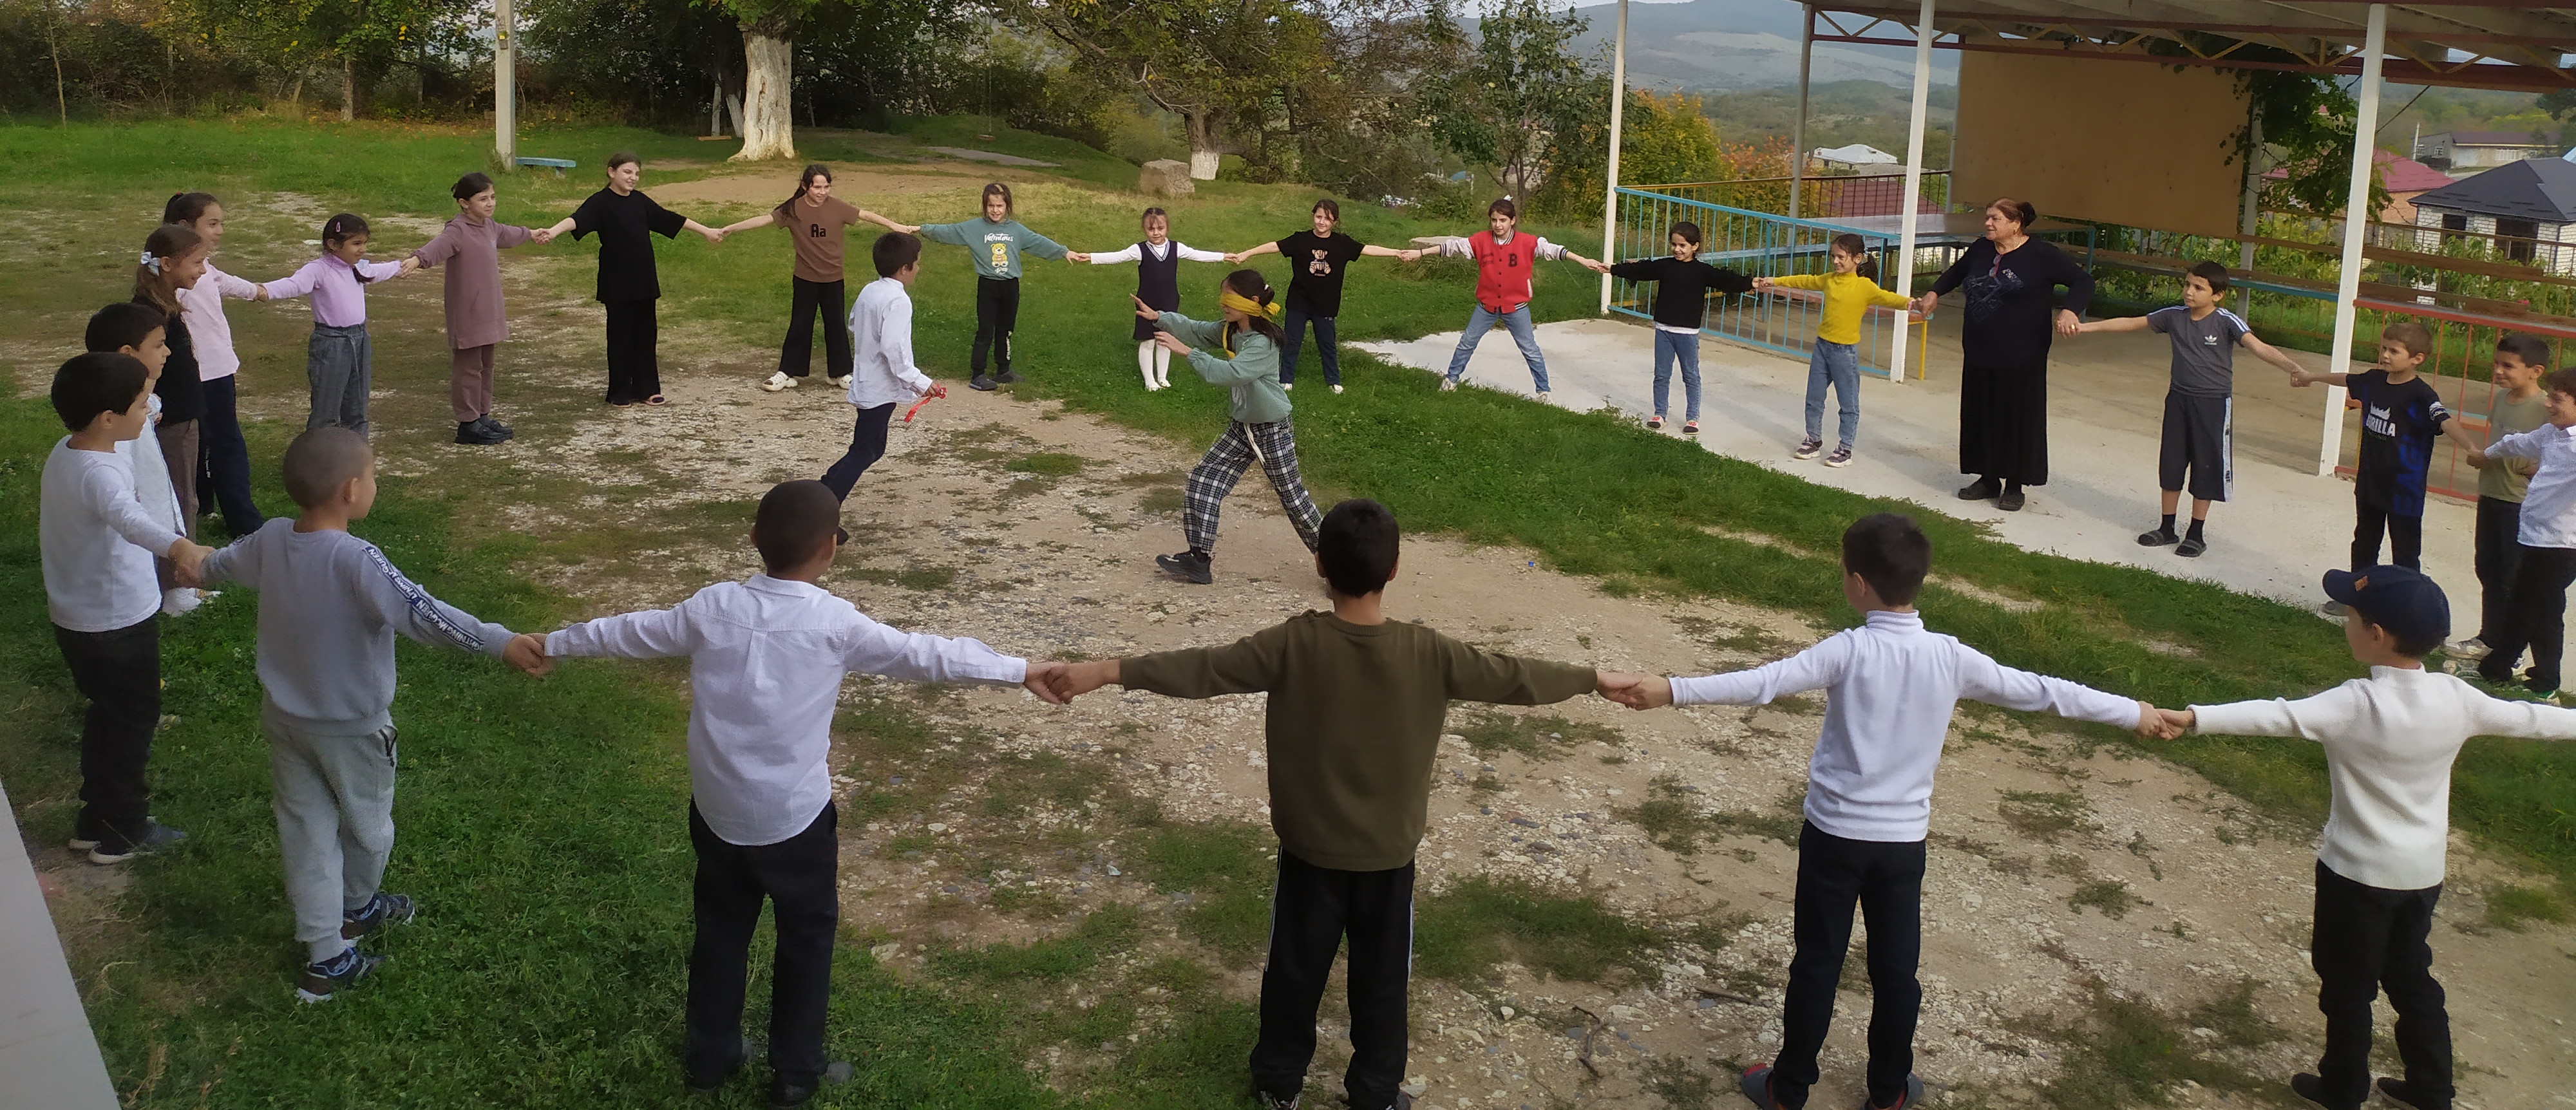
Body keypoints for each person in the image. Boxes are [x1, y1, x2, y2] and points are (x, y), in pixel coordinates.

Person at [1040, 498, 1639, 1110]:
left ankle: (1277, 1085)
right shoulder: (1430, 653)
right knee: (1382, 986)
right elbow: (1517, 676)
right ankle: (1374, 1095)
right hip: (1388, 861)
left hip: (1309, 856)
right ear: (1396, 569)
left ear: (1320, 563)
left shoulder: (1293, 644)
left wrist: (1108, 670)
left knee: (1294, 974)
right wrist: (1592, 678)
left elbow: (1205, 668)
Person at [511, 480, 1065, 1107]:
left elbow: (629, 632)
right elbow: (925, 655)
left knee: (720, 928)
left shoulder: (711, 606)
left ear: (752, 538)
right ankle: (795, 1072)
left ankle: (709, 1056)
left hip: (717, 812)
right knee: (806, 935)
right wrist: (1019, 669)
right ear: (831, 549)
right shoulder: (834, 622)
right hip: (795, 820)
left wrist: (554, 641)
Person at [1605, 513, 2161, 1110]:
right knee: (1897, 974)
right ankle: (1889, 1092)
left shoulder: (1848, 649)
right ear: (1919, 580)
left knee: (1817, 961)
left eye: (1843, 571)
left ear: (1860, 583)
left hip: (1833, 839)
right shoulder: (1951, 657)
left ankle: (1789, 1088)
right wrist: (2134, 712)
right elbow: (2048, 690)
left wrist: (1673, 688)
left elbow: (1762, 682)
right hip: (1902, 848)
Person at [2154, 567, 2576, 1110]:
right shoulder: (2458, 697)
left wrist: (2192, 717)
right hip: (2422, 877)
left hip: (2354, 877)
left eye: (2350, 617)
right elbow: (2533, 720)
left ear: (2375, 634)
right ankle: (2432, 1092)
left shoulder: (2356, 702)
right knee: (2412, 978)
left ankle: (2343, 1088)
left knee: (2347, 986)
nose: (2345, 624)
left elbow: (2276, 716)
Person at [196, 428, 536, 1002]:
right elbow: (424, 612)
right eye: (374, 476)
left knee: (306, 832)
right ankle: (354, 910)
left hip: (285, 722)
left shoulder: (273, 538)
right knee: (369, 828)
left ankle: (326, 953)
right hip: (353, 730)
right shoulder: (358, 559)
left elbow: (223, 565)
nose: (376, 484)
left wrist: (194, 569)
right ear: (352, 490)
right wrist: (497, 641)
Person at [41, 352, 213, 864]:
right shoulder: (101, 474)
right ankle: (124, 832)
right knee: (133, 722)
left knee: (108, 718)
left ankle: (95, 820)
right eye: (141, 406)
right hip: (116, 624)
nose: (150, 412)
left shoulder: (68, 450)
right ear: (107, 419)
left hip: (79, 620)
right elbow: (128, 517)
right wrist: (180, 548)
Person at [2070, 261, 2306, 556]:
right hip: (2178, 399)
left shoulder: (2226, 321)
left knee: (2206, 466)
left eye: (2198, 288)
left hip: (2213, 404)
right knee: (2171, 463)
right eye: (2187, 285)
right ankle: (2167, 528)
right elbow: (2131, 323)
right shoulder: (2173, 316)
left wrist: (2294, 368)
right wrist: (2084, 327)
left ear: (2217, 295)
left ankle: (2196, 533)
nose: (2189, 292)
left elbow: (2258, 347)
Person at [1138, 269, 1323, 586]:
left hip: (1270, 429)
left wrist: (1185, 352)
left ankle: (1338, 564)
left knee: (1292, 497)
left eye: (1230, 297)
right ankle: (1199, 560)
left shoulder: (1263, 343)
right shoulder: (1231, 330)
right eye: (1222, 295)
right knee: (1203, 480)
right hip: (1243, 426)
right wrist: (1160, 317)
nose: (1223, 303)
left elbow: (1231, 373)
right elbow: (1197, 329)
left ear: (1252, 301)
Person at [1917, 198, 2095, 513]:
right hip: (1979, 348)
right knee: (1982, 412)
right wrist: (1934, 293)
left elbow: (2083, 281)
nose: (1988, 223)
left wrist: (2070, 310)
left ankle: (2014, 484)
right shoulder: (1981, 249)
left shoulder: (2041, 255)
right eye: (1987, 217)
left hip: (2023, 352)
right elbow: (1956, 273)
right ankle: (1987, 478)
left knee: (2016, 417)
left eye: (1995, 218)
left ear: (2016, 224)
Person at [538, 151, 725, 407]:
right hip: (616, 281)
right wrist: (553, 231)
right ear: (611, 172)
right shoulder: (600, 202)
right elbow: (577, 220)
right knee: (620, 335)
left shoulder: (640, 202)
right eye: (627, 172)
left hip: (644, 279)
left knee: (647, 335)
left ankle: (647, 389)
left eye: (637, 173)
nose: (633, 177)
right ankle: (619, 392)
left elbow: (669, 218)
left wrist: (706, 231)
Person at [2289, 323, 2448, 595]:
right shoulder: (2374, 380)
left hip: (2404, 489)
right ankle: (2358, 595)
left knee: (2406, 550)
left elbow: (2444, 421)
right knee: (2364, 541)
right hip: (2370, 482)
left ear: (2417, 359)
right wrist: (2312, 376)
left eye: (2394, 351)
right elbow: (2348, 379)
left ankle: (2407, 603)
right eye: (2384, 348)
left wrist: (2472, 448)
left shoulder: (2422, 396)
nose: (2385, 355)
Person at [864, 183, 1069, 392]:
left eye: (1000, 206)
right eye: (991, 206)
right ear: (984, 206)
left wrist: (1065, 253)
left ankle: (1003, 369)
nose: (995, 210)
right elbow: (948, 231)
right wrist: (920, 229)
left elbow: (1039, 242)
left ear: (1008, 206)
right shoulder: (974, 228)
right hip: (988, 287)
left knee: (1005, 330)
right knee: (985, 331)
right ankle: (978, 374)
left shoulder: (1016, 230)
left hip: (1010, 287)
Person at [1410, 198, 1607, 400]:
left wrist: (1584, 261)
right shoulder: (1480, 241)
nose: (1498, 225)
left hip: (1517, 308)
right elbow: (1451, 247)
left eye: (1503, 220)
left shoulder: (1529, 242)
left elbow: (1556, 251)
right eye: (1494, 220)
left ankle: (1543, 391)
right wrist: (1420, 253)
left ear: (1513, 221)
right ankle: (1451, 380)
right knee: (1467, 342)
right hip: (1486, 306)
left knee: (1530, 349)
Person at [2462, 366, 2576, 699]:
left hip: (2561, 545)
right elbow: (2518, 443)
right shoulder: (2553, 433)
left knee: (2525, 608)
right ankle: (2544, 681)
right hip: (2535, 536)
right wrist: (2485, 455)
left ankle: (2498, 669)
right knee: (2545, 610)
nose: (2548, 405)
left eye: (2557, 399)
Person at [715, 164, 880, 395]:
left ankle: (841, 373)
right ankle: (787, 372)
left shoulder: (838, 207)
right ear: (805, 186)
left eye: (826, 187)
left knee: (835, 324)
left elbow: (865, 215)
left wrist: (896, 226)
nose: (822, 192)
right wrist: (731, 228)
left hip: (833, 278)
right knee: (800, 324)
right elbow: (764, 220)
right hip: (805, 278)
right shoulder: (793, 209)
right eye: (817, 187)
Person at [84, 302, 204, 617]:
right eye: (159, 346)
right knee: (150, 530)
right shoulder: (115, 414)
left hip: (149, 489)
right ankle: (169, 597)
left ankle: (177, 592)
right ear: (127, 354)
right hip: (135, 500)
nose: (167, 353)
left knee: (162, 518)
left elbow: (149, 403)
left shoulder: (126, 398)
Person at [256, 213, 420, 437]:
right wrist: (263, 290)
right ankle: (320, 463)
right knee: (327, 406)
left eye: (364, 243)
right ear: (333, 245)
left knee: (357, 405)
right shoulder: (318, 269)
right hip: (331, 344)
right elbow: (294, 285)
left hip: (360, 340)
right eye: (356, 244)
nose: (362, 249)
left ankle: (356, 462)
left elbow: (378, 270)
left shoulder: (358, 267)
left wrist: (403, 265)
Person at [163, 191, 269, 536]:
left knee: (203, 441)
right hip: (200, 374)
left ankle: (204, 502)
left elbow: (221, 280)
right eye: (212, 223)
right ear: (184, 226)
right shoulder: (175, 275)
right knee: (223, 445)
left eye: (221, 223)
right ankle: (244, 521)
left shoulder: (198, 265)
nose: (220, 230)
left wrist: (257, 291)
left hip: (219, 369)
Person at [410, 172, 544, 445]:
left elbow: (509, 233)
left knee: (486, 364)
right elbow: (435, 248)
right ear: (464, 203)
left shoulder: (489, 226)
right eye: (483, 199)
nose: (490, 203)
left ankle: (482, 415)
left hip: (489, 311)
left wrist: (531, 234)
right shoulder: (457, 230)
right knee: (469, 367)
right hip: (468, 312)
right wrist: (416, 260)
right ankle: (468, 422)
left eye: (492, 197)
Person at [1224, 198, 1408, 393]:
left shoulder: (1342, 243)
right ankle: (1286, 379)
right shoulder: (1300, 240)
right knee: (1292, 341)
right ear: (1313, 216)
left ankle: (1333, 381)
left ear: (1335, 222)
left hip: (1326, 304)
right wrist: (1248, 253)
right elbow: (1274, 246)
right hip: (1299, 301)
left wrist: (1397, 253)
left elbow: (1368, 249)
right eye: (1319, 217)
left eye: (1327, 219)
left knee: (1327, 344)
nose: (1322, 222)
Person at [1754, 232, 1907, 461]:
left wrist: (1914, 303)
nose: (1835, 261)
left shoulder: (1865, 287)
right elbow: (1805, 281)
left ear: (1858, 258)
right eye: (1833, 256)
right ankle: (1813, 439)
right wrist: (1775, 281)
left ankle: (1845, 448)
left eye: (1841, 257)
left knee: (1848, 403)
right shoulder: (1829, 280)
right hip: (1822, 348)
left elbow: (1890, 299)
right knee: (1814, 397)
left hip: (1845, 353)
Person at [2448, 335, 2550, 662]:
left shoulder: (2546, 406)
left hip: (2519, 503)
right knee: (2488, 570)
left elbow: (2563, 445)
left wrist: (2542, 467)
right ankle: (2489, 638)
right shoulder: (2504, 399)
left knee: (2512, 576)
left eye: (2508, 366)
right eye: (2497, 363)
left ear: (2536, 371)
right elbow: (2496, 437)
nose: (2499, 371)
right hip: (2491, 493)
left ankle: (2514, 651)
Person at [820, 231, 943, 500]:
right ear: (904, 269)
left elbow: (854, 323)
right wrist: (922, 382)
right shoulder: (899, 301)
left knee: (871, 449)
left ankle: (822, 491)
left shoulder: (870, 290)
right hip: (879, 388)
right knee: (865, 451)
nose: (918, 269)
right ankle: (822, 505)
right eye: (917, 263)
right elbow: (893, 350)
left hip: (868, 383)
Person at [1612, 220, 1754, 436]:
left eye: (1682, 246)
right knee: (1661, 374)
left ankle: (1692, 418)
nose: (1676, 249)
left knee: (1691, 376)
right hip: (1664, 330)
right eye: (1674, 245)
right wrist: (1612, 269)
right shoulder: (1665, 266)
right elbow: (1641, 270)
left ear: (1695, 247)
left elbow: (1727, 280)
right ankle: (1660, 414)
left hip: (1687, 335)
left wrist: (1750, 283)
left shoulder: (1702, 272)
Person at [1070, 206, 1227, 391]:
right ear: (1144, 229)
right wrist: (1090, 257)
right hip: (1146, 302)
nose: (1156, 233)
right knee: (1148, 341)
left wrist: (1225, 256)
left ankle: (1162, 377)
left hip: (1169, 300)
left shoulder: (1176, 248)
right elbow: (1117, 256)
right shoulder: (1139, 250)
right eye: (1151, 229)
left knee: (1165, 339)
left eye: (1160, 229)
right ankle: (1149, 381)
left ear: (1167, 227)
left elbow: (1198, 254)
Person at [133, 225, 210, 536]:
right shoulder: (150, 314)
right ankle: (184, 578)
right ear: (166, 264)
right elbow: (143, 369)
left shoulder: (163, 305)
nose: (203, 271)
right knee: (181, 499)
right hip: (173, 421)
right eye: (196, 263)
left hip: (180, 416)